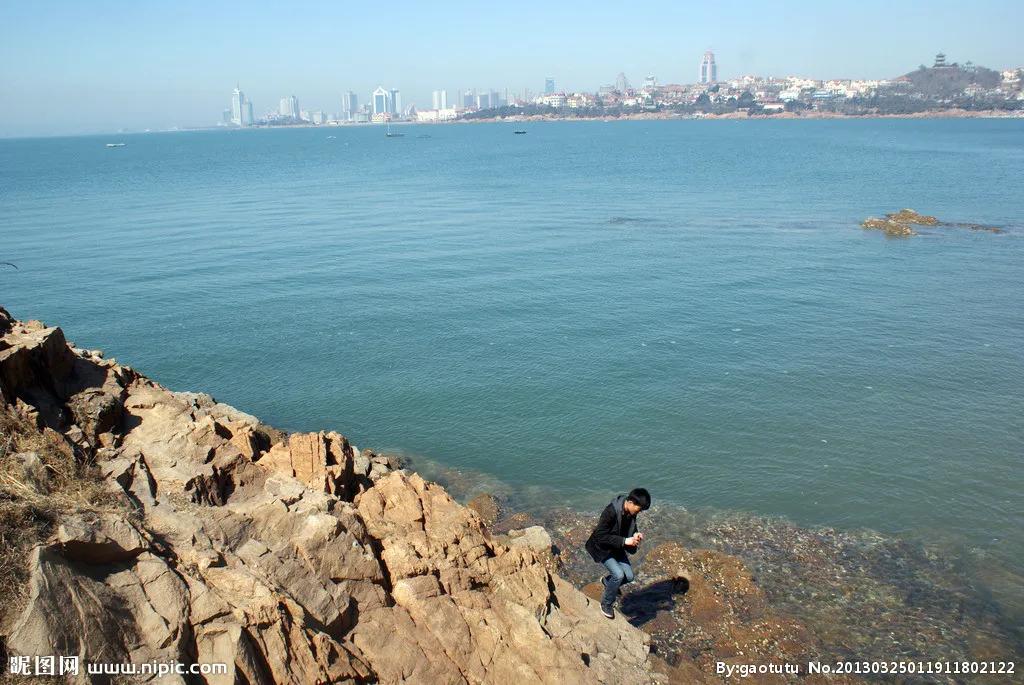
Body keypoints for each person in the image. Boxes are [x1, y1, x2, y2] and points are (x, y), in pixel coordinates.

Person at [584, 488, 651, 619]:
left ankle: (607, 581)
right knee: (619, 575)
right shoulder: (610, 512)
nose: (640, 512)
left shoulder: (631, 512)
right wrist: (625, 541)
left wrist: (635, 535)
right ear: (631, 502)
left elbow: (631, 527)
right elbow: (600, 536)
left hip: (617, 547)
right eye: (639, 509)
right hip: (602, 548)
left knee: (629, 576)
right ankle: (606, 604)